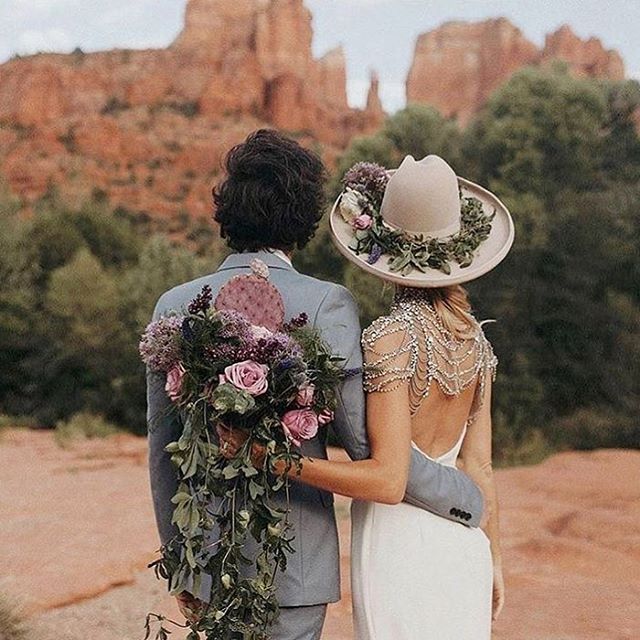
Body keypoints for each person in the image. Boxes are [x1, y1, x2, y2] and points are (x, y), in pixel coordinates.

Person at [146, 129, 486, 640]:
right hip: (295, 572)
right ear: (304, 217)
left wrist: (182, 561)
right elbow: (367, 443)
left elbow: (163, 451)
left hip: (207, 564)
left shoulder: (173, 306)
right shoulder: (327, 304)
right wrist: (464, 495)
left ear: (227, 210)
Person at [221, 153, 514, 638]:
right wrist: (496, 558)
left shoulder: (388, 339)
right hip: (467, 548)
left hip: (402, 546)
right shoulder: (477, 342)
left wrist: (273, 461)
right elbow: (479, 467)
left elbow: (386, 480)